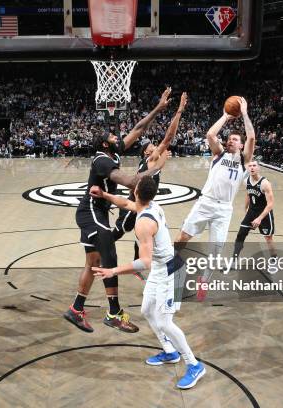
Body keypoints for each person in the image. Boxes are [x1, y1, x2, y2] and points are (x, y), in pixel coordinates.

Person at [63, 88, 172, 333]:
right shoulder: (102, 160)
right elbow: (130, 182)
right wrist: (156, 167)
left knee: (93, 261)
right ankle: (113, 313)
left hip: (97, 211)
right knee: (108, 254)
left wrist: (158, 108)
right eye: (112, 136)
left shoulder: (111, 152)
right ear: (104, 143)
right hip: (92, 211)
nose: (116, 137)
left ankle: (76, 309)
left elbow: (138, 130)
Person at [91, 176, 206, 389]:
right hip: (161, 269)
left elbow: (144, 261)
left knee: (165, 322)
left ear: (136, 192)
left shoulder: (144, 223)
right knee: (146, 310)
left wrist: (112, 271)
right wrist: (105, 195)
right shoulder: (152, 205)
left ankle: (194, 364)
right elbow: (125, 204)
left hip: (172, 272)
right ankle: (170, 352)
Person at [175, 97, 255, 288]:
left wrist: (244, 113)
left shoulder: (244, 161)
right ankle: (171, 266)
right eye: (229, 139)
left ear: (241, 146)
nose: (230, 141)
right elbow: (211, 134)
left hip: (223, 210)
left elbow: (251, 137)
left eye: (235, 139)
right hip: (205, 202)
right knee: (182, 237)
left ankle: (204, 280)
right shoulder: (219, 154)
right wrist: (225, 117)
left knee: (215, 251)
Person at [113, 92, 188, 257]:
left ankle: (137, 264)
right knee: (119, 231)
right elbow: (169, 137)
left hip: (145, 203)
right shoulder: (152, 159)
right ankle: (103, 249)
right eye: (150, 145)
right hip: (134, 203)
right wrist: (179, 110)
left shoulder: (149, 161)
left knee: (143, 232)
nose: (154, 145)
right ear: (146, 151)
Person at [233, 161, 276, 258]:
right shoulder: (246, 181)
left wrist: (259, 218)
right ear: (247, 169)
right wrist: (245, 208)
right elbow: (249, 194)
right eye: (250, 166)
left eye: (254, 166)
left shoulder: (265, 183)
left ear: (258, 168)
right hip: (252, 211)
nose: (252, 168)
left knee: (268, 238)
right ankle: (234, 259)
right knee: (240, 235)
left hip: (264, 213)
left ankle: (274, 260)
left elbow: (270, 204)